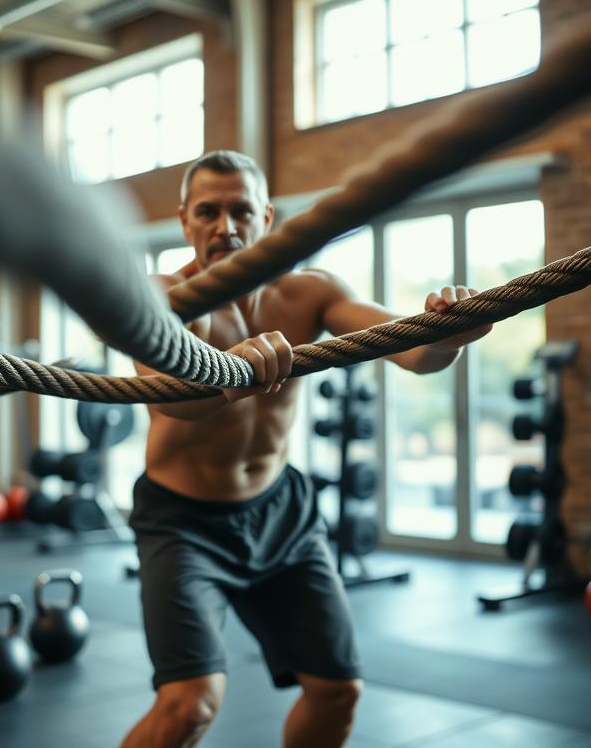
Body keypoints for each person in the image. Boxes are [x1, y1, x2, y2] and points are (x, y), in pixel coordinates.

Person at [122, 151, 492, 748]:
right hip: (182, 522)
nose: (226, 227)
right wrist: (228, 375)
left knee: (338, 692)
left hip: (280, 514)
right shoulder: (163, 296)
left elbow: (413, 352)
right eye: (208, 212)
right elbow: (169, 400)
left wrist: (451, 333)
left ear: (266, 216)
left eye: (241, 210)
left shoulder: (308, 293)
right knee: (189, 705)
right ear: (185, 221)